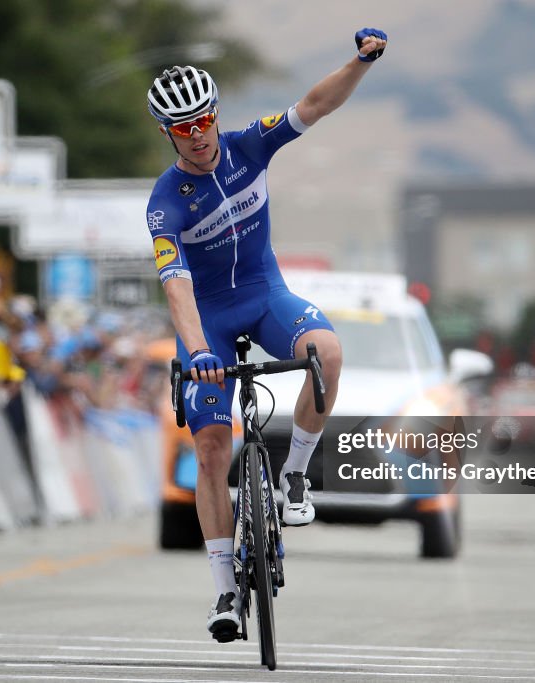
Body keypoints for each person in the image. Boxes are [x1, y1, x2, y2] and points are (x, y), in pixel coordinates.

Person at [145, 27, 388, 641]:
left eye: (203, 121)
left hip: (265, 296)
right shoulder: (165, 202)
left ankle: (295, 475)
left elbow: (315, 105)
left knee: (327, 352)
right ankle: (226, 592)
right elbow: (175, 284)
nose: (198, 135)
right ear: (167, 133)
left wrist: (359, 62)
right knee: (210, 450)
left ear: (215, 115)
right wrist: (199, 350)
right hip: (209, 322)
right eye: (184, 129)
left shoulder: (249, 146)